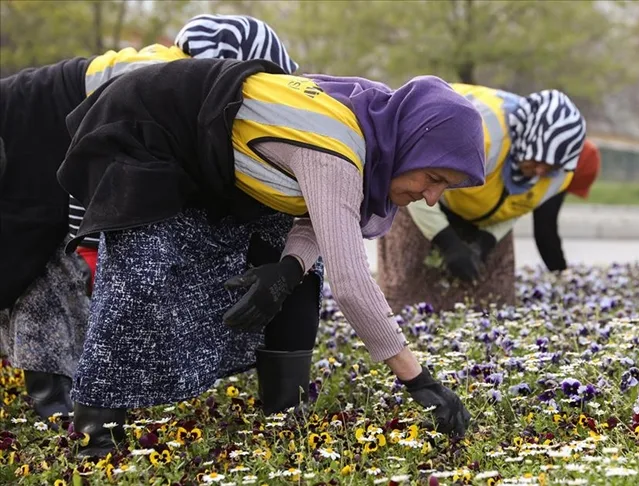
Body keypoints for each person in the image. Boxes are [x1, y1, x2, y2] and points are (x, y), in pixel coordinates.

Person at [57, 59, 485, 457]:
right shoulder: (338, 151)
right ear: (412, 144)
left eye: (444, 189)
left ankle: (285, 406)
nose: (431, 198)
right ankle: (97, 434)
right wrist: (419, 381)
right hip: (142, 124)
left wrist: (287, 270)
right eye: (434, 178)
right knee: (143, 273)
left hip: (205, 140)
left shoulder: (371, 120)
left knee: (296, 264)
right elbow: (352, 284)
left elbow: (316, 212)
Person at [0, 14, 299, 422]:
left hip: (50, 124)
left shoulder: (170, 79)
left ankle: (59, 399)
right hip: (32, 127)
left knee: (50, 257)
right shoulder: (161, 80)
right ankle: (54, 403)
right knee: (38, 260)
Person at [376, 83, 586, 312]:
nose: (540, 172)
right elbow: (420, 180)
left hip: (484, 212)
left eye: (550, 166)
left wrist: (485, 241)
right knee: (407, 291)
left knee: (494, 301)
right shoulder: (481, 137)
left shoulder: (558, 175)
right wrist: (448, 241)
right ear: (527, 140)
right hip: (424, 194)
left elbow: (518, 204)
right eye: (536, 160)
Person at [530, 139, 601, 271]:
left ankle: (557, 267)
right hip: (564, 171)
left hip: (562, 172)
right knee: (546, 224)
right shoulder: (585, 153)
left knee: (546, 224)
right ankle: (558, 268)